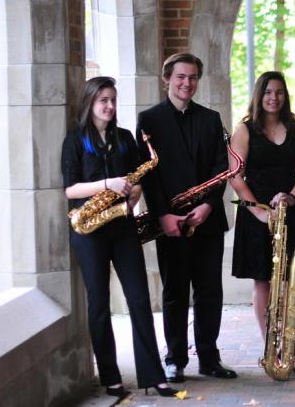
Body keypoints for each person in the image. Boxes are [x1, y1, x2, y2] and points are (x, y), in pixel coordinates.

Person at [61, 77, 178, 398]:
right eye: (103, 101)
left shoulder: (125, 139)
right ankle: (111, 377)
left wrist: (132, 194)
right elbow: (70, 189)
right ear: (90, 104)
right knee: (98, 304)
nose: (110, 106)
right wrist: (108, 185)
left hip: (122, 227)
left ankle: (154, 376)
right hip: (90, 230)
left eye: (113, 100)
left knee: (140, 299)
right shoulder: (75, 141)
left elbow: (138, 180)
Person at [136, 53, 236, 383]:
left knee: (209, 291)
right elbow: (149, 175)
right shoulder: (148, 120)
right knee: (175, 292)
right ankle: (175, 359)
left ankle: (209, 357)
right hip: (171, 222)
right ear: (167, 78)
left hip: (206, 218)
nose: (187, 83)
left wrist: (208, 206)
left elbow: (221, 167)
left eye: (193, 77)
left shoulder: (211, 118)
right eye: (180, 77)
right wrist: (163, 214)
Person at [230, 71, 295, 375]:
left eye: (279, 92)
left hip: (289, 208)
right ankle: (273, 347)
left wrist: (291, 198)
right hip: (258, 212)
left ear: (285, 95)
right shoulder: (244, 129)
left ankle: (289, 347)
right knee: (264, 279)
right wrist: (258, 212)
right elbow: (235, 176)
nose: (273, 97)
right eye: (268, 92)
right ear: (259, 95)